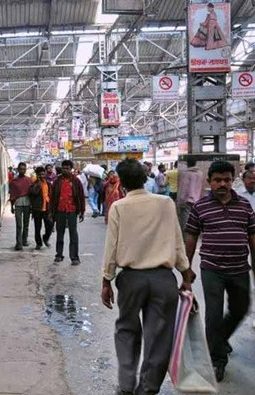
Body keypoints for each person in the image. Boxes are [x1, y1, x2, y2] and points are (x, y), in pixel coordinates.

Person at [102, 158, 195, 395]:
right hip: (163, 279)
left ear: (121, 182)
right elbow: (177, 242)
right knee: (159, 337)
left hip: (131, 280)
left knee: (127, 330)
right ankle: (147, 388)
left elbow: (111, 247)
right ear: (146, 178)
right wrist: (185, 273)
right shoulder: (165, 203)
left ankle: (125, 385)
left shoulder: (119, 207)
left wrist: (107, 280)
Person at [184, 161, 254, 382]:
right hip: (211, 269)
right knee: (213, 314)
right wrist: (187, 270)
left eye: (226, 180)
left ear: (233, 180)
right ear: (210, 182)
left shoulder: (244, 206)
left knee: (241, 308)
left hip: (240, 268)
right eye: (218, 180)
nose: (222, 184)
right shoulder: (200, 207)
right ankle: (217, 359)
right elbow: (191, 237)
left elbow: (253, 238)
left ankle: (218, 340)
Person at [50, 160, 85, 265]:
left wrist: (82, 211)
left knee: (73, 234)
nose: (65, 170)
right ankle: (59, 255)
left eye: (67, 168)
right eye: (64, 168)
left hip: (72, 210)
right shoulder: (57, 181)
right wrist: (51, 212)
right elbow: (52, 198)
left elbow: (81, 196)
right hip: (60, 210)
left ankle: (74, 257)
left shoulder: (76, 181)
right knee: (59, 233)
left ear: (71, 169)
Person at [177, 156, 205, 232]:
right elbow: (202, 188)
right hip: (197, 201)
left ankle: (186, 241)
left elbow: (184, 189)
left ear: (187, 163)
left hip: (187, 202)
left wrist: (180, 202)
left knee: (185, 223)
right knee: (195, 221)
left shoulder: (185, 174)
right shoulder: (200, 174)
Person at [9, 162, 32, 250]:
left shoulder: (29, 180)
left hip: (27, 204)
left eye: (24, 169)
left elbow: (31, 194)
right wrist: (12, 206)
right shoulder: (14, 181)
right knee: (19, 225)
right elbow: (12, 194)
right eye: (21, 169)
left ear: (25, 170)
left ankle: (24, 240)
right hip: (18, 204)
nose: (22, 170)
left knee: (26, 224)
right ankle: (19, 243)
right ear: (18, 169)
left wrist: (32, 206)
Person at [29, 166, 53, 250]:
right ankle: (38, 243)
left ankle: (45, 238)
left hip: (47, 208)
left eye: (43, 174)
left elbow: (51, 195)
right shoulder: (34, 184)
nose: (42, 176)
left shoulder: (48, 183)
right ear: (37, 175)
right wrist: (38, 184)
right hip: (37, 209)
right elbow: (34, 192)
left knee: (50, 225)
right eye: (40, 174)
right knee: (37, 228)